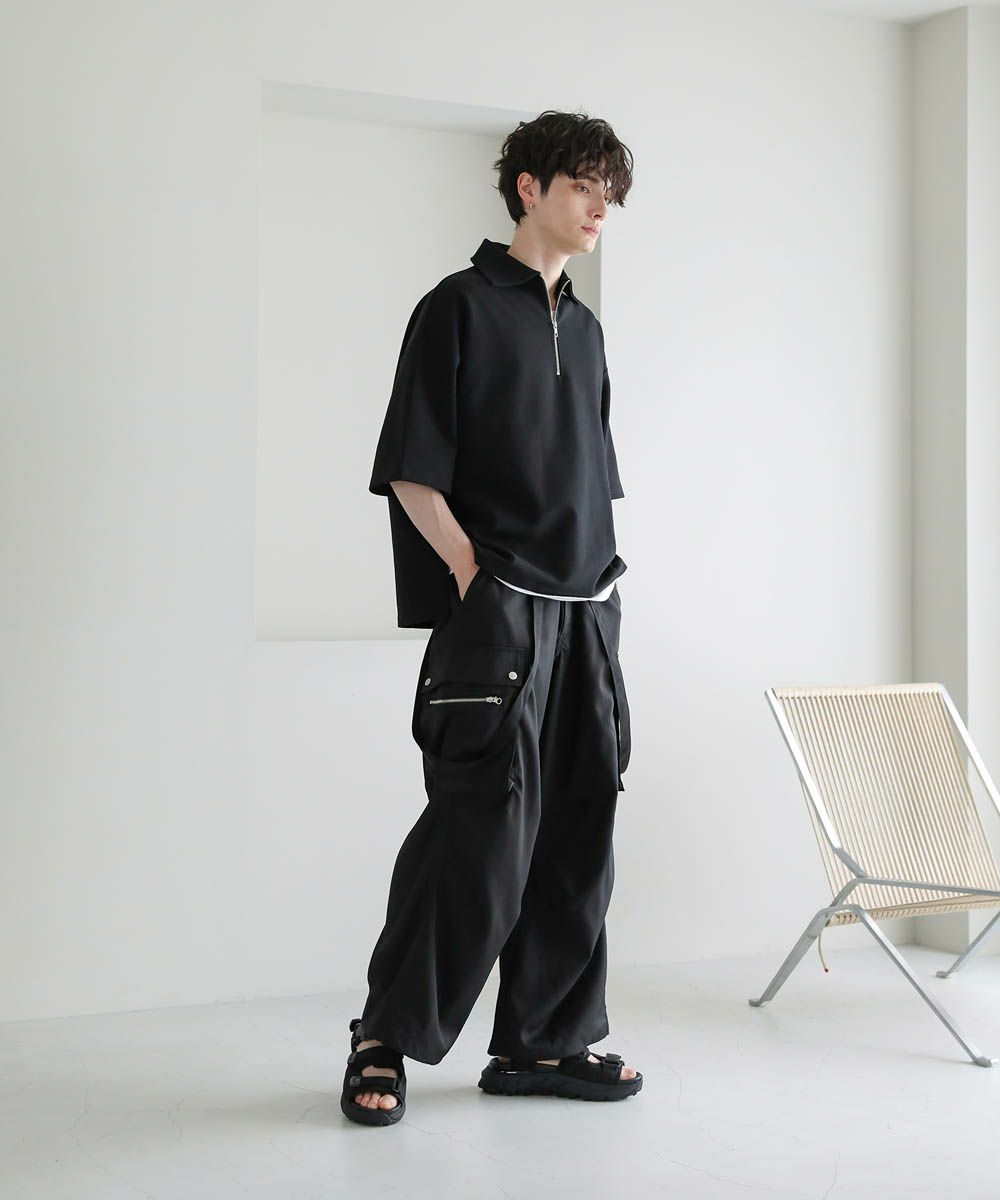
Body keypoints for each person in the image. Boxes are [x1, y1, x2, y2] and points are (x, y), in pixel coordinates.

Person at [342, 110, 640, 1126]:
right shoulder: (457, 308)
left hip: (589, 613)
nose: (599, 209)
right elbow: (410, 470)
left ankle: (543, 1042)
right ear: (529, 188)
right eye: (583, 186)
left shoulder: (586, 331)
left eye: (609, 193)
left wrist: (599, 596)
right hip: (501, 613)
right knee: (479, 835)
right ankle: (383, 1036)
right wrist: (474, 573)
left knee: (579, 831)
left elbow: (589, 482)